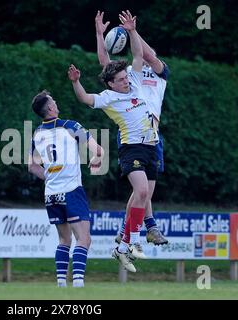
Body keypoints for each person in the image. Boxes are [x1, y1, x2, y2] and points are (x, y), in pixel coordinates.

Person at [68, 11, 156, 272]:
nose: (126, 80)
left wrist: (131, 31)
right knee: (140, 192)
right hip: (131, 148)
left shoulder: (135, 82)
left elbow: (139, 55)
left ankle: (123, 246)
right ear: (111, 84)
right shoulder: (108, 96)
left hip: (151, 146)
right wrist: (76, 82)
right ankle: (132, 242)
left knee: (142, 196)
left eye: (126, 77)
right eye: (120, 79)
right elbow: (85, 98)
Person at [95, 10, 170, 246]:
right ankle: (149, 227)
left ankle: (125, 230)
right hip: (132, 132)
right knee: (142, 188)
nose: (146, 55)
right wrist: (100, 35)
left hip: (152, 134)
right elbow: (105, 64)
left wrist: (132, 31)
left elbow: (147, 53)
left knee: (145, 189)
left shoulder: (160, 72)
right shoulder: (130, 73)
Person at [28, 90, 104, 287]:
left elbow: (32, 166)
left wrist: (51, 176)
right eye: (54, 100)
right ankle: (78, 284)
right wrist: (97, 158)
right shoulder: (70, 126)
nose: (56, 102)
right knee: (84, 239)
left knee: (64, 240)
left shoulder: (36, 134)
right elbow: (98, 150)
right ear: (51, 108)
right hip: (71, 190)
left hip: (51, 193)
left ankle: (61, 284)